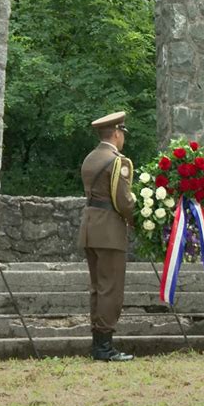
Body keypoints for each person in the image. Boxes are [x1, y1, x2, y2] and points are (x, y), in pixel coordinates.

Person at [78, 111, 135, 361]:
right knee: (111, 289)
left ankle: (98, 343)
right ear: (116, 133)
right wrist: (141, 219)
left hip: (90, 227)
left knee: (98, 288)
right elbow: (123, 200)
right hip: (110, 230)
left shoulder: (90, 158)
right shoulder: (117, 161)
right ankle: (105, 346)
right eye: (122, 133)